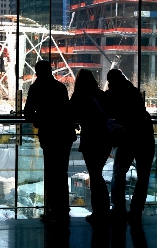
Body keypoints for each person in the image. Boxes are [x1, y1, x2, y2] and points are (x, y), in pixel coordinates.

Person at [24, 60, 76, 223]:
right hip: (65, 134)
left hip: (49, 135)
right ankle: (62, 209)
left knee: (52, 173)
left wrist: (38, 120)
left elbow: (28, 113)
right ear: (51, 70)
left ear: (37, 71)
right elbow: (67, 111)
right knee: (61, 173)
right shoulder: (60, 87)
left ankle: (53, 210)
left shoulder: (36, 88)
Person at [105, 69, 155, 226]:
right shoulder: (133, 92)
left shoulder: (113, 95)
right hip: (145, 137)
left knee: (119, 173)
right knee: (143, 176)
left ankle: (118, 207)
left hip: (128, 139)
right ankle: (135, 210)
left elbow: (110, 113)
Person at [69, 69, 112, 224]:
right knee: (97, 174)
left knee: (94, 175)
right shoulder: (101, 94)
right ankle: (105, 209)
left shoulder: (79, 95)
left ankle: (99, 211)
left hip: (90, 140)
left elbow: (71, 114)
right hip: (105, 139)